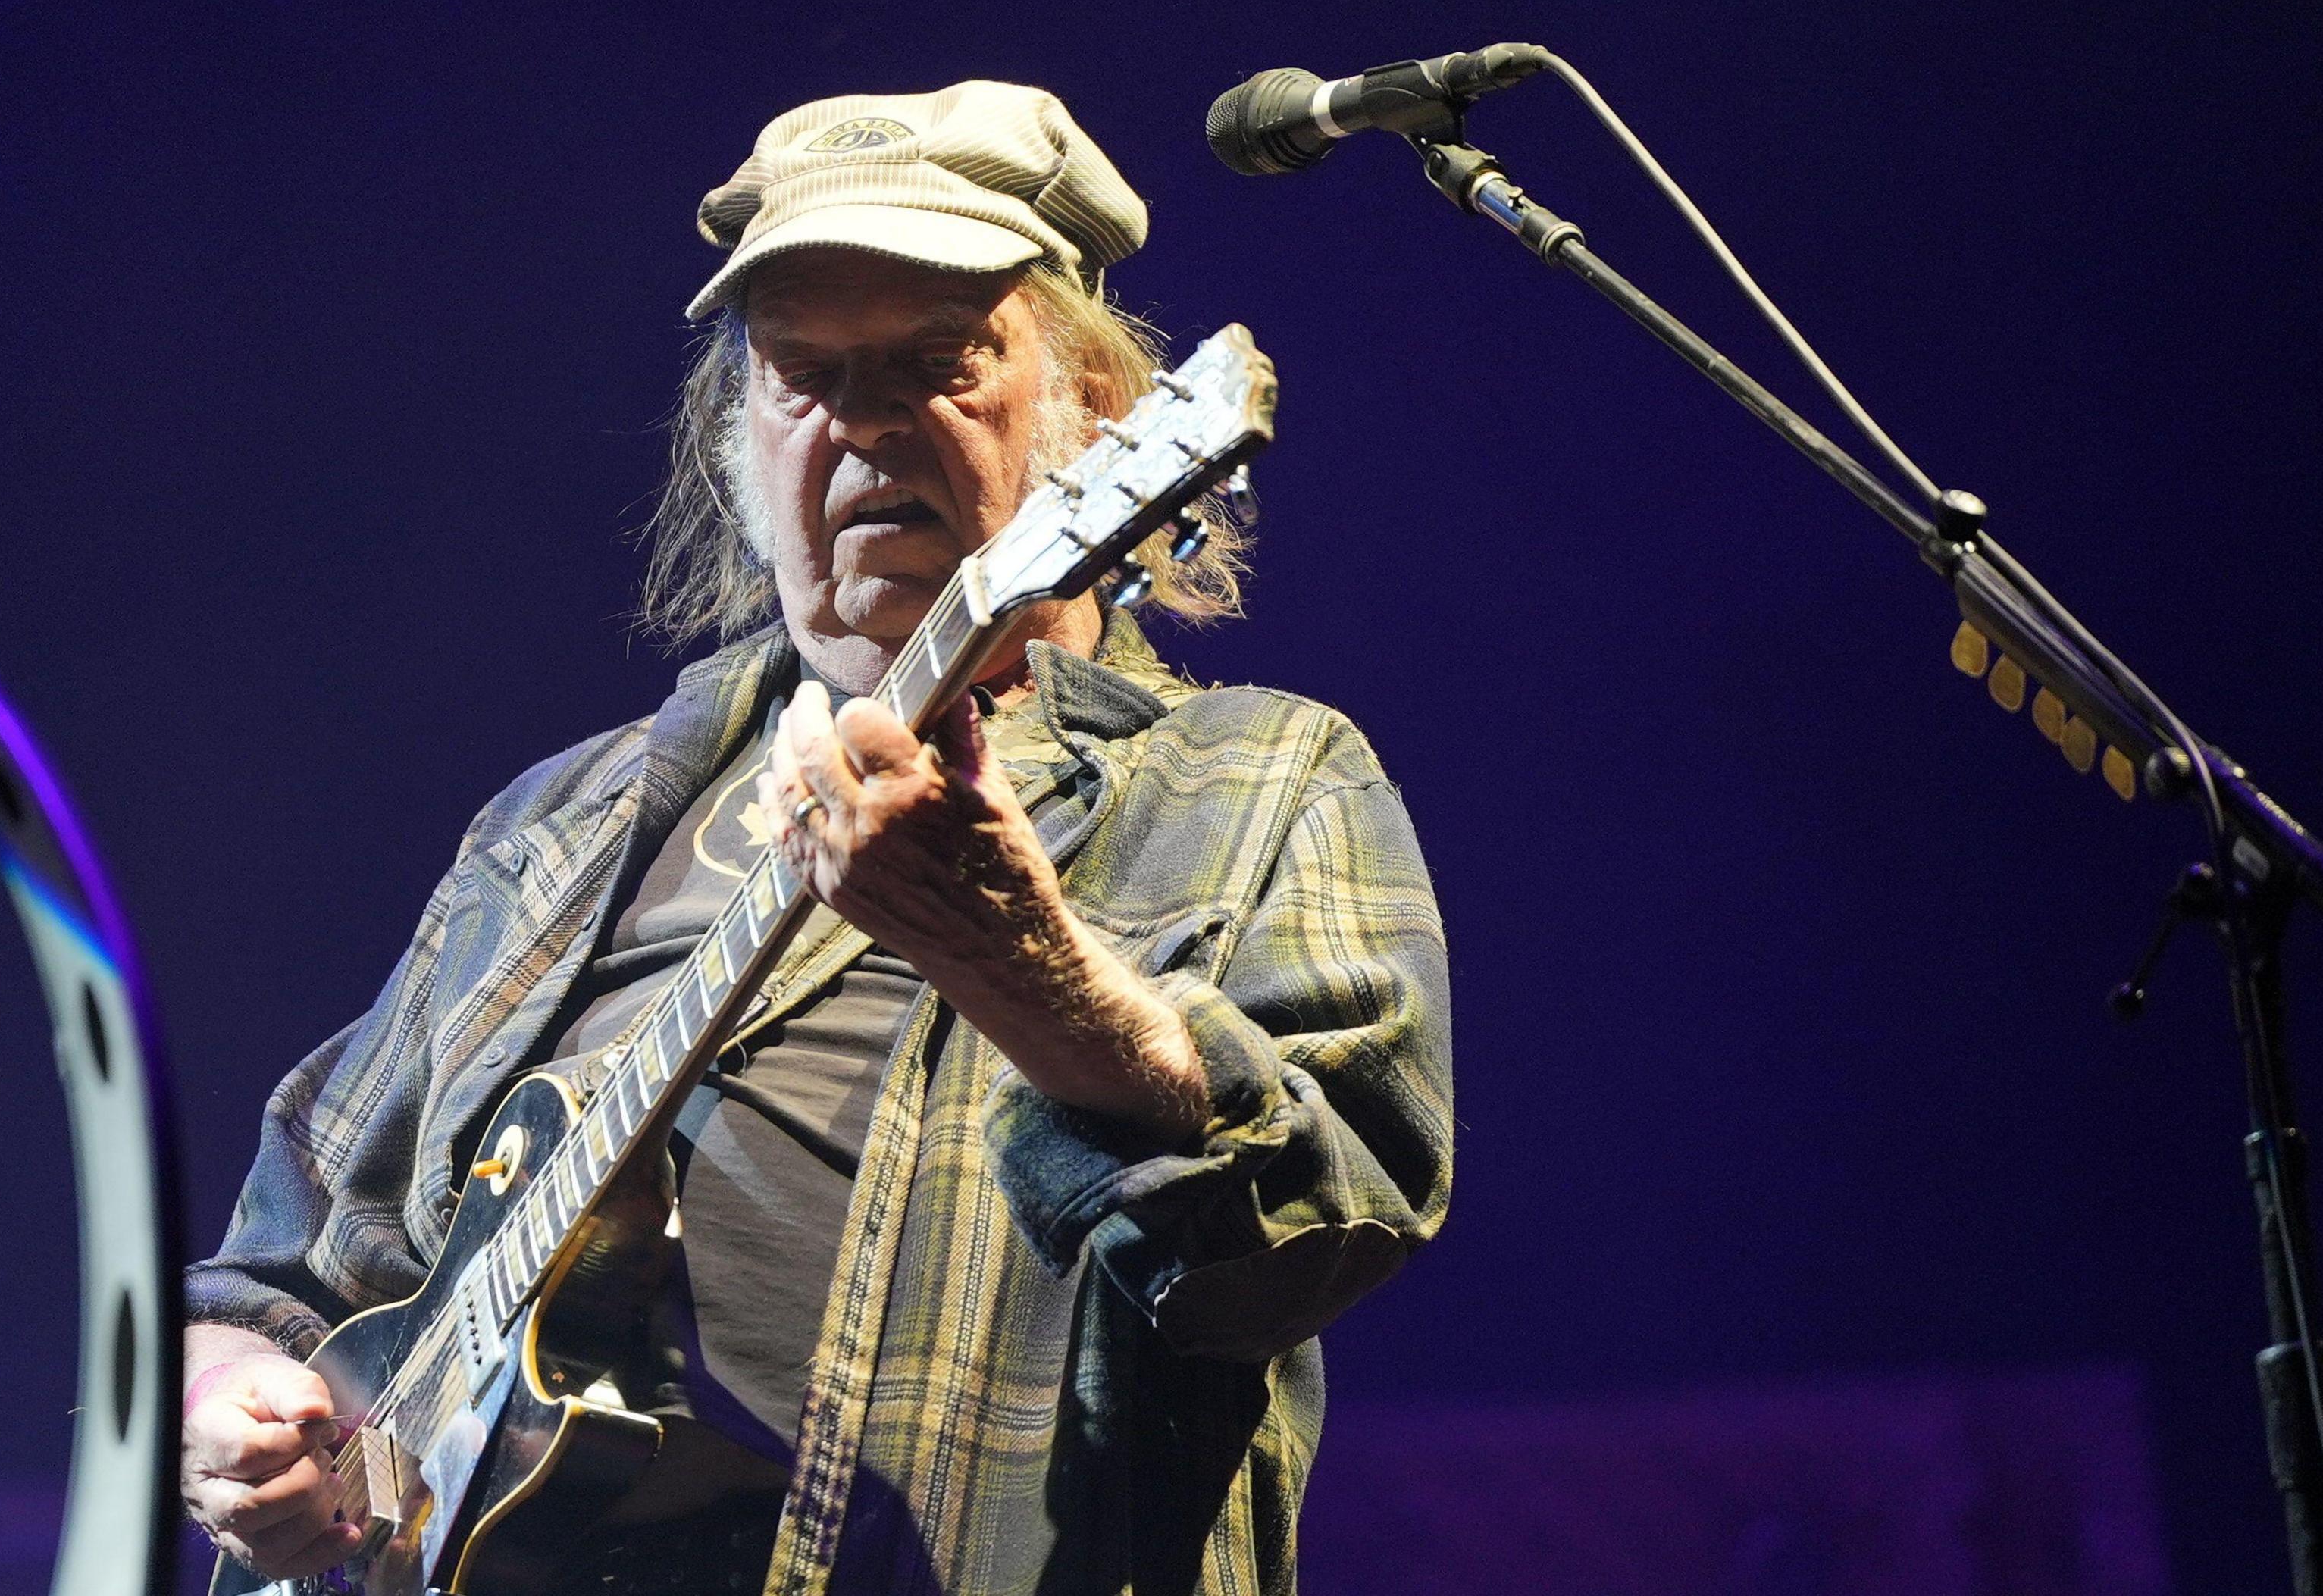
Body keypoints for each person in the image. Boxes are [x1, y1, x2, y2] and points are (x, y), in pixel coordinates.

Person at [177, 80, 1454, 1596]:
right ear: (734, 439)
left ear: (1099, 421)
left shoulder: (1258, 779)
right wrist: (217, 1404)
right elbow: (276, 1274)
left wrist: (1021, 960)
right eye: (803, 372)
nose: (863, 422)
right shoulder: (560, 825)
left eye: (938, 361)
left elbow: (1323, 1226)